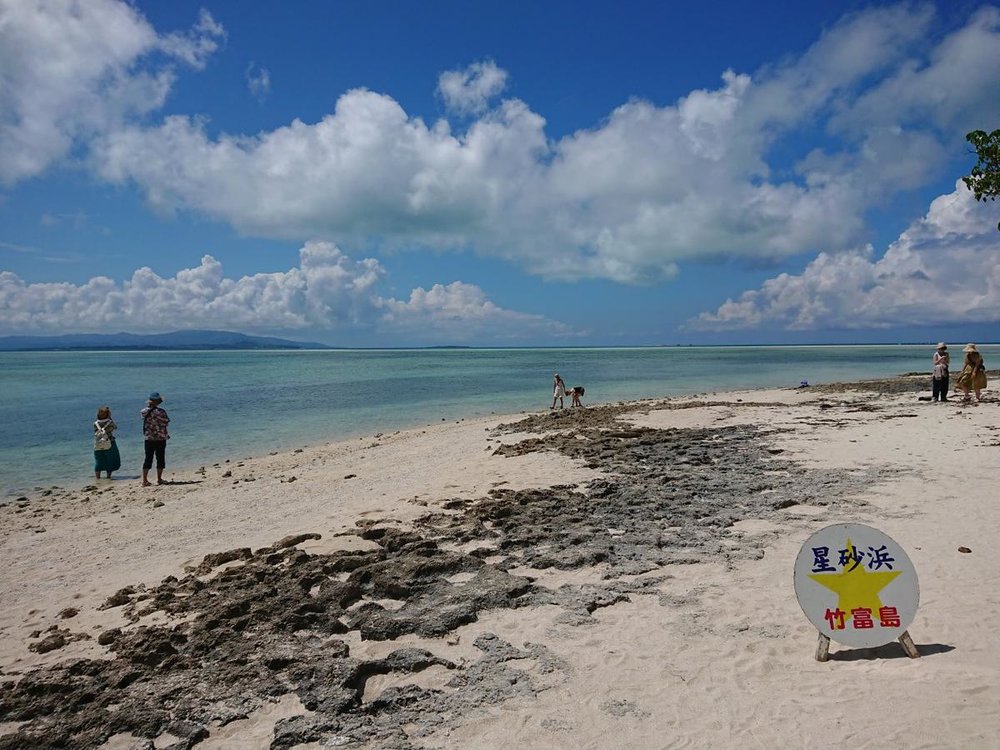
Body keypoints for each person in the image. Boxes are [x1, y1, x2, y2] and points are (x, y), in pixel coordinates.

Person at [141, 392, 170, 486]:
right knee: (160, 458)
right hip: (160, 438)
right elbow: (166, 421)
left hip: (149, 438)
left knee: (148, 459)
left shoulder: (143, 412)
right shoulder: (161, 412)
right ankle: (159, 479)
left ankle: (144, 480)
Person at [93, 406, 121, 479]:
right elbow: (115, 427)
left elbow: (95, 431)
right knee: (110, 459)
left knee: (98, 460)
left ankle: (97, 477)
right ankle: (108, 476)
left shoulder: (95, 423)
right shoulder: (110, 422)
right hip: (109, 442)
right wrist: (110, 418)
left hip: (98, 443)